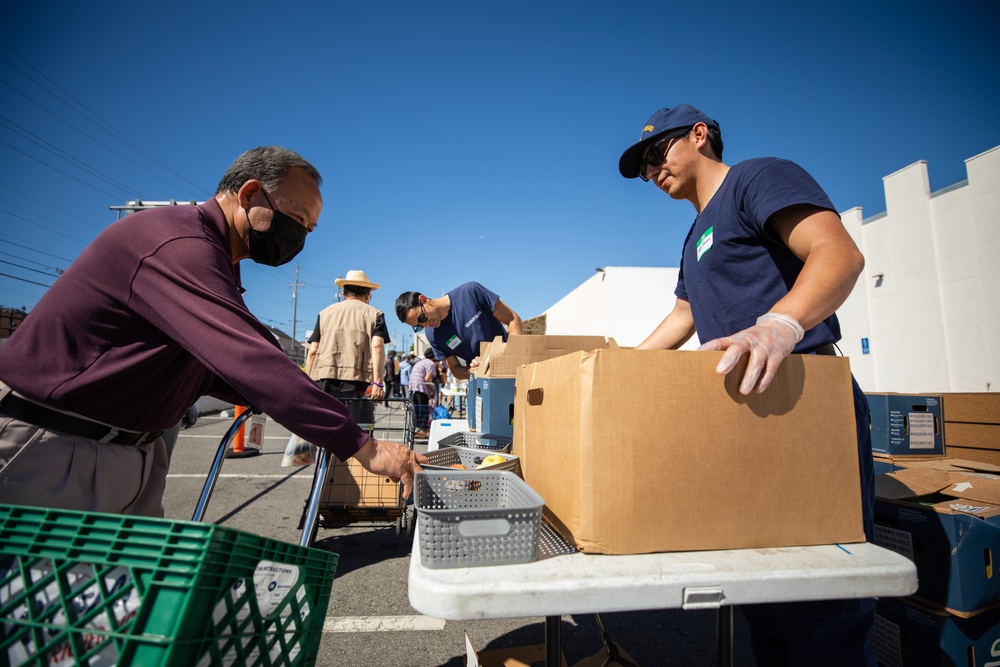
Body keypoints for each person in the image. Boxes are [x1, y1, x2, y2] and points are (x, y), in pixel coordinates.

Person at [0, 146, 425, 517]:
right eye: (295, 219)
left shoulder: (221, 260)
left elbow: (216, 369)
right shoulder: (178, 244)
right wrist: (365, 446)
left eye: (308, 229)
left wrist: (282, 396)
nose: (298, 237)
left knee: (130, 601)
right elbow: (249, 359)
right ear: (250, 193)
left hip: (130, 452)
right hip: (61, 446)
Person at [619, 104, 875, 666]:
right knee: (764, 604)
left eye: (655, 153)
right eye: (642, 169)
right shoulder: (692, 239)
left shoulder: (756, 178)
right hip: (739, 421)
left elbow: (839, 253)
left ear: (699, 135)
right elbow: (684, 316)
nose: (650, 172)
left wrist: (779, 323)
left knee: (822, 610)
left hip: (803, 404)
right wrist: (619, 370)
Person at [304, 269, 389, 427]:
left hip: (325, 380)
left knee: (327, 429)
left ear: (344, 293)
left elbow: (313, 351)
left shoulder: (324, 314)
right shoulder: (376, 314)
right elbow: (377, 347)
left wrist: (308, 383)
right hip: (359, 382)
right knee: (360, 433)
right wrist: (377, 383)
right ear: (368, 294)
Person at [395, 282, 522, 380]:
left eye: (422, 318)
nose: (426, 325)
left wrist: (511, 358)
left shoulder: (470, 292)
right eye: (419, 326)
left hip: (509, 374)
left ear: (423, 299)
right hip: (481, 382)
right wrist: (475, 369)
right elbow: (455, 369)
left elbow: (513, 320)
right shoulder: (433, 335)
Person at [408, 348, 440, 437]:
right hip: (421, 388)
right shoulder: (431, 364)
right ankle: (422, 432)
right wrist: (433, 390)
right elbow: (427, 379)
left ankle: (416, 430)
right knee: (423, 411)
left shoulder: (420, 362)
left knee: (416, 411)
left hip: (413, 387)